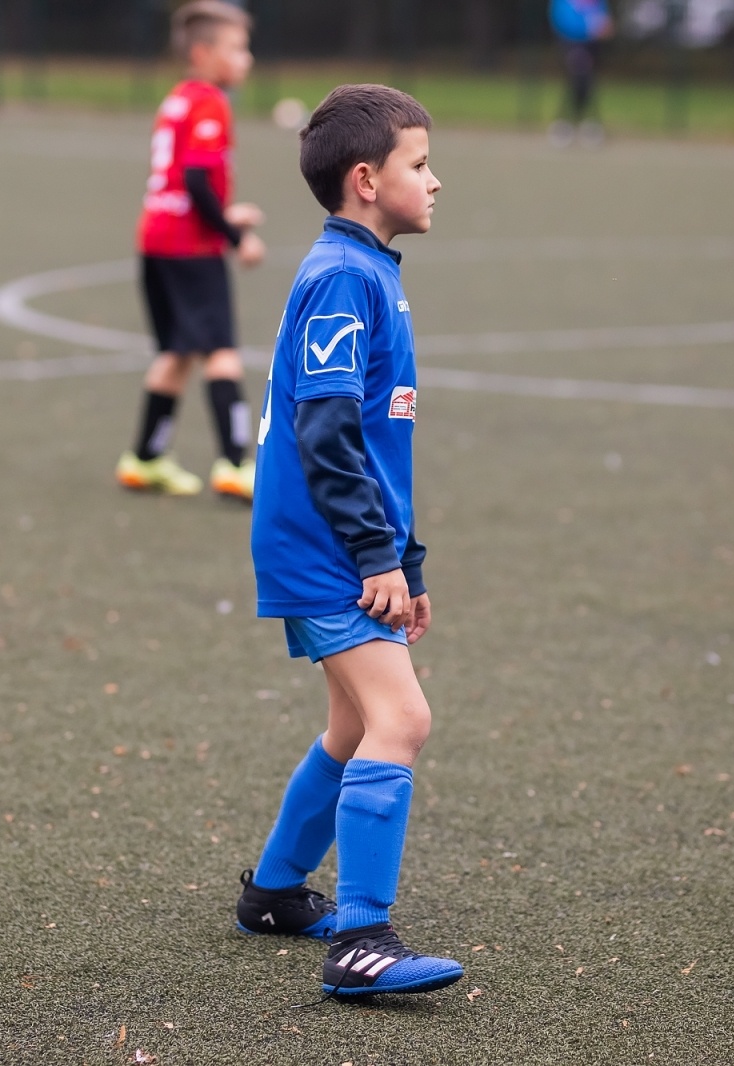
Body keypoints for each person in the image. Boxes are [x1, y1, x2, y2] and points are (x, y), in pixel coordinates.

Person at [234, 84, 462, 999]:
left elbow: (371, 443)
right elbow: (325, 433)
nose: (435, 181)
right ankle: (363, 942)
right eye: (420, 164)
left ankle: (273, 895)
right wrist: (373, 555)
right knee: (402, 721)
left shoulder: (367, 270)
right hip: (322, 547)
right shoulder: (343, 277)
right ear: (367, 180)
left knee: (355, 726)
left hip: (342, 543)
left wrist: (405, 560)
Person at [116, 0, 265, 500]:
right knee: (220, 352)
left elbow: (184, 183)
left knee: (176, 353)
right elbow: (198, 180)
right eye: (237, 49)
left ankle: (145, 459)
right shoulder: (210, 102)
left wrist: (226, 213)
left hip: (156, 236)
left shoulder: (177, 99)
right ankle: (236, 464)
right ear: (203, 53)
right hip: (189, 246)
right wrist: (236, 237)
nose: (246, 59)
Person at [548, 0, 613, 146]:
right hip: (570, 43)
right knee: (577, 80)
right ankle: (566, 123)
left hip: (592, 44)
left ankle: (586, 123)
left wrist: (604, 27)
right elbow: (561, 20)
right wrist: (586, 29)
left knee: (587, 83)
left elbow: (603, 17)